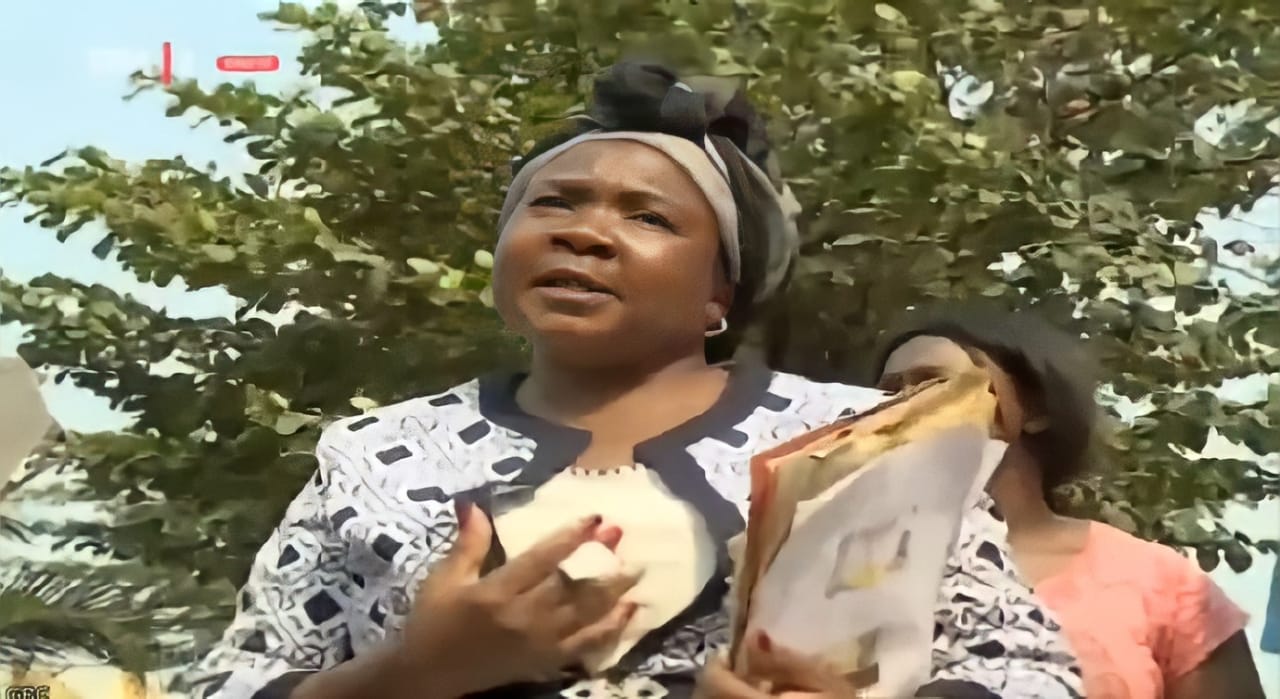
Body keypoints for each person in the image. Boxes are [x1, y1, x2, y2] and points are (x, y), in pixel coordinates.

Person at [186, 62, 1083, 699]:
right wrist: (415, 672)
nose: (583, 232)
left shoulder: (867, 440)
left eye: (648, 216)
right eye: (553, 202)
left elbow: (1028, 672)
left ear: (721, 293)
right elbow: (229, 681)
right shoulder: (373, 455)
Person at [873, 303, 1265, 699]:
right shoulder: (848, 568)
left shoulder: (1166, 589)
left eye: (933, 382)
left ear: (1035, 408)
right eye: (887, 393)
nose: (903, 405)